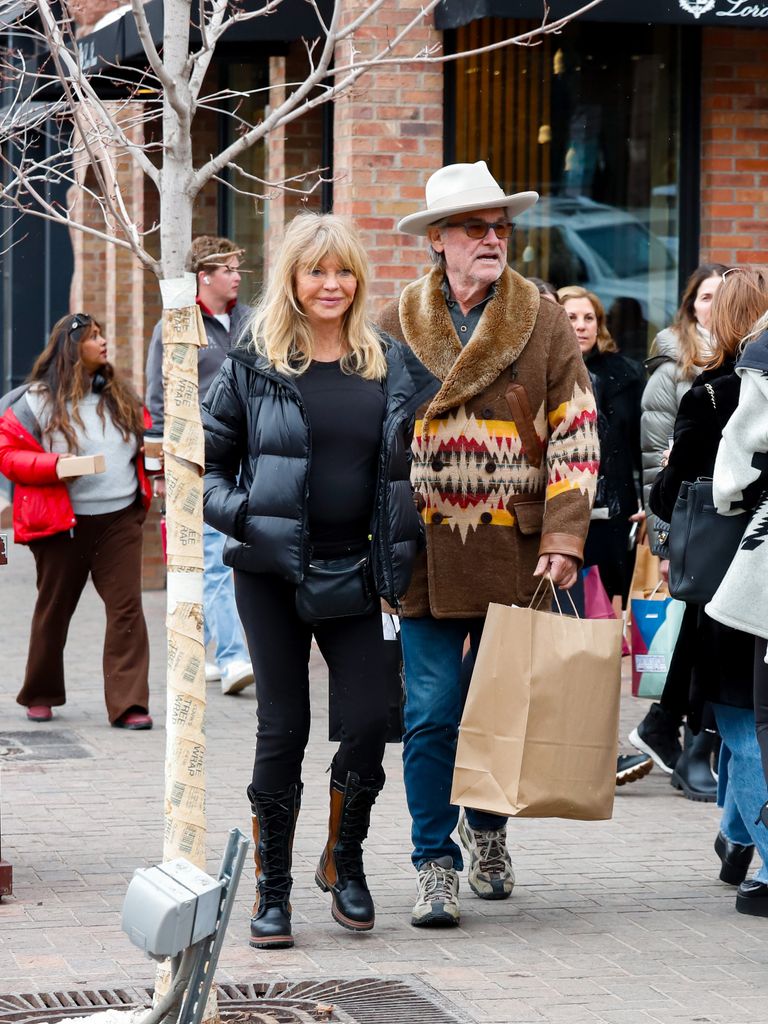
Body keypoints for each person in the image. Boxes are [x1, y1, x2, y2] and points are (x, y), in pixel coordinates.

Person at [202, 213, 438, 949]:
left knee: (370, 720)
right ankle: (272, 892)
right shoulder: (253, 364)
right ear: (293, 281)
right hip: (272, 574)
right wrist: (252, 520)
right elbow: (200, 471)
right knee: (284, 728)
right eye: (316, 272)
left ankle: (346, 859)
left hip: (360, 572)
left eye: (343, 272)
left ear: (358, 279)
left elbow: (414, 466)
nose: (331, 285)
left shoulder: (389, 363)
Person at [378, 160, 598, 928]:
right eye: (475, 226)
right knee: (434, 711)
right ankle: (433, 862)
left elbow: (576, 428)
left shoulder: (538, 317)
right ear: (437, 239)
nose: (492, 238)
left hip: (518, 547)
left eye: (500, 226)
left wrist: (567, 534)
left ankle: (490, 832)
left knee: (501, 708)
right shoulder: (394, 321)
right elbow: (373, 442)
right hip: (425, 548)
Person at [652, 266, 768, 916]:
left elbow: (674, 495)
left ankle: (765, 856)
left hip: (730, 579)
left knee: (738, 717)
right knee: (746, 715)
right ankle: (734, 835)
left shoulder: (714, 397)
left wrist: (667, 474)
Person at [0, 313, 153, 728]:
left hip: (119, 519)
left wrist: (155, 459)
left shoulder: (120, 395)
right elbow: (8, 455)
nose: (103, 343)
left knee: (126, 610)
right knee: (54, 610)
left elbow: (147, 439)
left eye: (103, 334)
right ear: (71, 348)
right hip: (61, 525)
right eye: (93, 337)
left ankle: (129, 704)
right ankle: (41, 693)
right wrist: (54, 465)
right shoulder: (35, 400)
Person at [628, 263, 728, 790]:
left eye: (724, 297)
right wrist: (664, 538)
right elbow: (656, 460)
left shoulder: (740, 366)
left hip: (717, 522)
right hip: (691, 522)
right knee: (701, 628)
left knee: (706, 629)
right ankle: (682, 735)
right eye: (706, 297)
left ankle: (675, 732)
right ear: (692, 307)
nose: (715, 306)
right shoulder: (675, 373)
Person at [145, 235, 255, 696]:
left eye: (237, 268)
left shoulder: (252, 322)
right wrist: (161, 467)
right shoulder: (177, 324)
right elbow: (158, 397)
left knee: (239, 555)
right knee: (214, 560)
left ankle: (211, 647)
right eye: (228, 268)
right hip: (201, 460)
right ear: (204, 276)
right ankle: (233, 659)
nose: (236, 276)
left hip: (254, 456)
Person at [558, 286, 650, 787]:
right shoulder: (551, 372)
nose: (581, 324)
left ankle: (598, 746)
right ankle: (585, 748)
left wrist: (647, 507)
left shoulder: (625, 375)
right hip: (566, 527)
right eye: (570, 316)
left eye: (589, 316)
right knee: (570, 638)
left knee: (601, 639)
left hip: (614, 525)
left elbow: (640, 448)